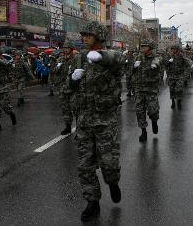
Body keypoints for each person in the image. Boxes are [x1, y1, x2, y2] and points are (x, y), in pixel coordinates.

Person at [70, 21, 122, 222]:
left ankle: (113, 182)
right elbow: (71, 87)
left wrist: (101, 57)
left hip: (104, 120)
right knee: (85, 165)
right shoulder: (80, 58)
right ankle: (92, 201)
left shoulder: (111, 56)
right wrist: (72, 79)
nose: (85, 38)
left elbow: (115, 61)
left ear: (99, 37)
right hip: (84, 120)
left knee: (108, 162)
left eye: (89, 35)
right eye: (83, 35)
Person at [132, 38, 161, 142]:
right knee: (139, 111)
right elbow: (131, 70)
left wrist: (154, 65)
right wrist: (134, 66)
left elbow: (158, 61)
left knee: (153, 110)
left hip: (151, 88)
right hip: (139, 88)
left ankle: (154, 121)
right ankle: (143, 131)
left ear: (150, 48)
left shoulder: (155, 57)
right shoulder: (138, 57)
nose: (142, 48)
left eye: (145, 46)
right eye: (142, 46)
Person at [0, 46, 17, 132]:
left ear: (0, 53)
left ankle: (12, 115)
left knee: (6, 107)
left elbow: (8, 65)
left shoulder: (5, 61)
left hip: (3, 89)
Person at [54, 41, 76, 135]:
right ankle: (68, 126)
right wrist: (58, 67)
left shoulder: (76, 59)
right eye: (65, 48)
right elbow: (54, 72)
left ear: (71, 49)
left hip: (73, 88)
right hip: (62, 88)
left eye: (67, 48)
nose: (65, 50)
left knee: (76, 108)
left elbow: (80, 72)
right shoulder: (60, 59)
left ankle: (80, 127)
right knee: (65, 108)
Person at [165, 44, 192, 109]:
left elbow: (188, 64)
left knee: (179, 89)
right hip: (171, 76)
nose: (172, 50)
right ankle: (173, 101)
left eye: (174, 49)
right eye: (172, 49)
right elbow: (164, 64)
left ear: (177, 49)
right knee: (172, 89)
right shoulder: (169, 56)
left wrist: (185, 74)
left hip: (180, 76)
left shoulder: (182, 56)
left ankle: (179, 101)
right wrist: (168, 62)